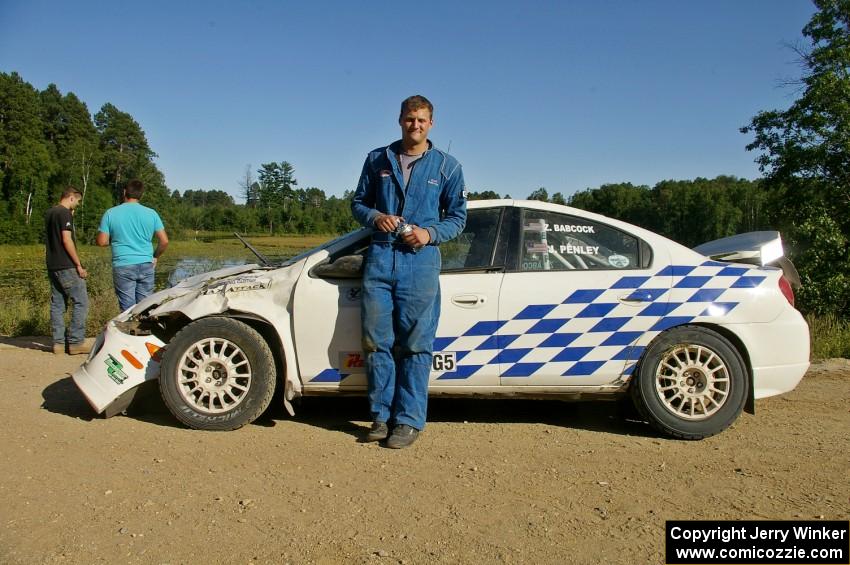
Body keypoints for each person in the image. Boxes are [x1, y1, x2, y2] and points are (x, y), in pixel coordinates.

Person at [351, 95, 467, 448]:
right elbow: (357, 204)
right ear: (399, 120)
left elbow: (458, 218)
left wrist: (429, 233)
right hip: (381, 259)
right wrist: (375, 217)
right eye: (408, 119)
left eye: (421, 120)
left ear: (431, 124)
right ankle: (381, 416)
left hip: (420, 263)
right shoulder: (377, 160)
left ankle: (408, 420)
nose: (414, 125)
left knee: (416, 346)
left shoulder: (447, 166)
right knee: (376, 343)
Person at [96, 179, 169, 312]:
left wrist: (117, 239)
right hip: (146, 263)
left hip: (123, 264)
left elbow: (101, 242)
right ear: (142, 195)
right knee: (145, 307)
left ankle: (129, 330)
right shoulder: (151, 213)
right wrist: (155, 256)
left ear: (125, 192)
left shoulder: (111, 213)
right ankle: (144, 331)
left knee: (127, 310)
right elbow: (164, 241)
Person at [45, 186, 90, 355]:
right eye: (77, 201)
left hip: (52, 264)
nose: (77, 205)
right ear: (71, 198)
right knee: (81, 302)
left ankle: (58, 343)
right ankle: (76, 342)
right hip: (66, 265)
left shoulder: (50, 213)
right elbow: (66, 240)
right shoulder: (64, 213)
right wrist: (78, 264)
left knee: (57, 304)